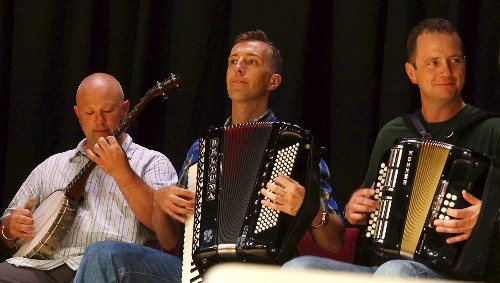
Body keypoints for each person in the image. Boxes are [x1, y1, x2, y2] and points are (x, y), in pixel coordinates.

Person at [72, 30, 346, 283]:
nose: (238, 68)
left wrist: (309, 208)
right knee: (103, 254)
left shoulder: (296, 147)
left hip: (265, 274)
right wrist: (159, 203)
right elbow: (170, 241)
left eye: (251, 62)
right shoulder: (202, 148)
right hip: (198, 273)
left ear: (273, 81)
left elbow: (335, 240)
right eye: (232, 61)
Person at [283, 18, 500, 282]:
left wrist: (490, 216)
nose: (446, 71)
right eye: (433, 63)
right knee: (298, 268)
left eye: (454, 60)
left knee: (394, 271)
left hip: (462, 275)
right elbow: (369, 209)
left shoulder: (492, 129)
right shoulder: (394, 132)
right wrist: (356, 209)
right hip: (387, 270)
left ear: (464, 64)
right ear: (412, 73)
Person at [0, 73, 178, 282]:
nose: (99, 120)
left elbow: (167, 235)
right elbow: (6, 229)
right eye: (89, 112)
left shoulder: (152, 162)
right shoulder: (52, 165)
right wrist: (10, 228)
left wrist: (123, 172)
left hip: (112, 267)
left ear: (126, 109)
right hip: (46, 265)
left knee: (99, 256)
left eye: (108, 111)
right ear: (77, 113)